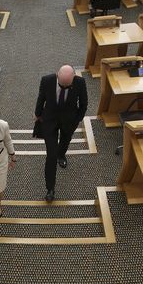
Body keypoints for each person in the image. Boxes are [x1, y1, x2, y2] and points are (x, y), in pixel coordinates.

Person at [34, 65, 88, 202]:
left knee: (65, 141)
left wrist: (77, 121)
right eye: (61, 85)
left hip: (69, 120)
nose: (63, 87)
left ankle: (62, 154)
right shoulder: (46, 80)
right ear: (57, 75)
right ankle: (50, 188)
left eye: (67, 85)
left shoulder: (80, 83)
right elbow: (41, 98)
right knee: (51, 156)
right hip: (50, 119)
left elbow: (84, 104)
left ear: (74, 77)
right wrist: (37, 114)